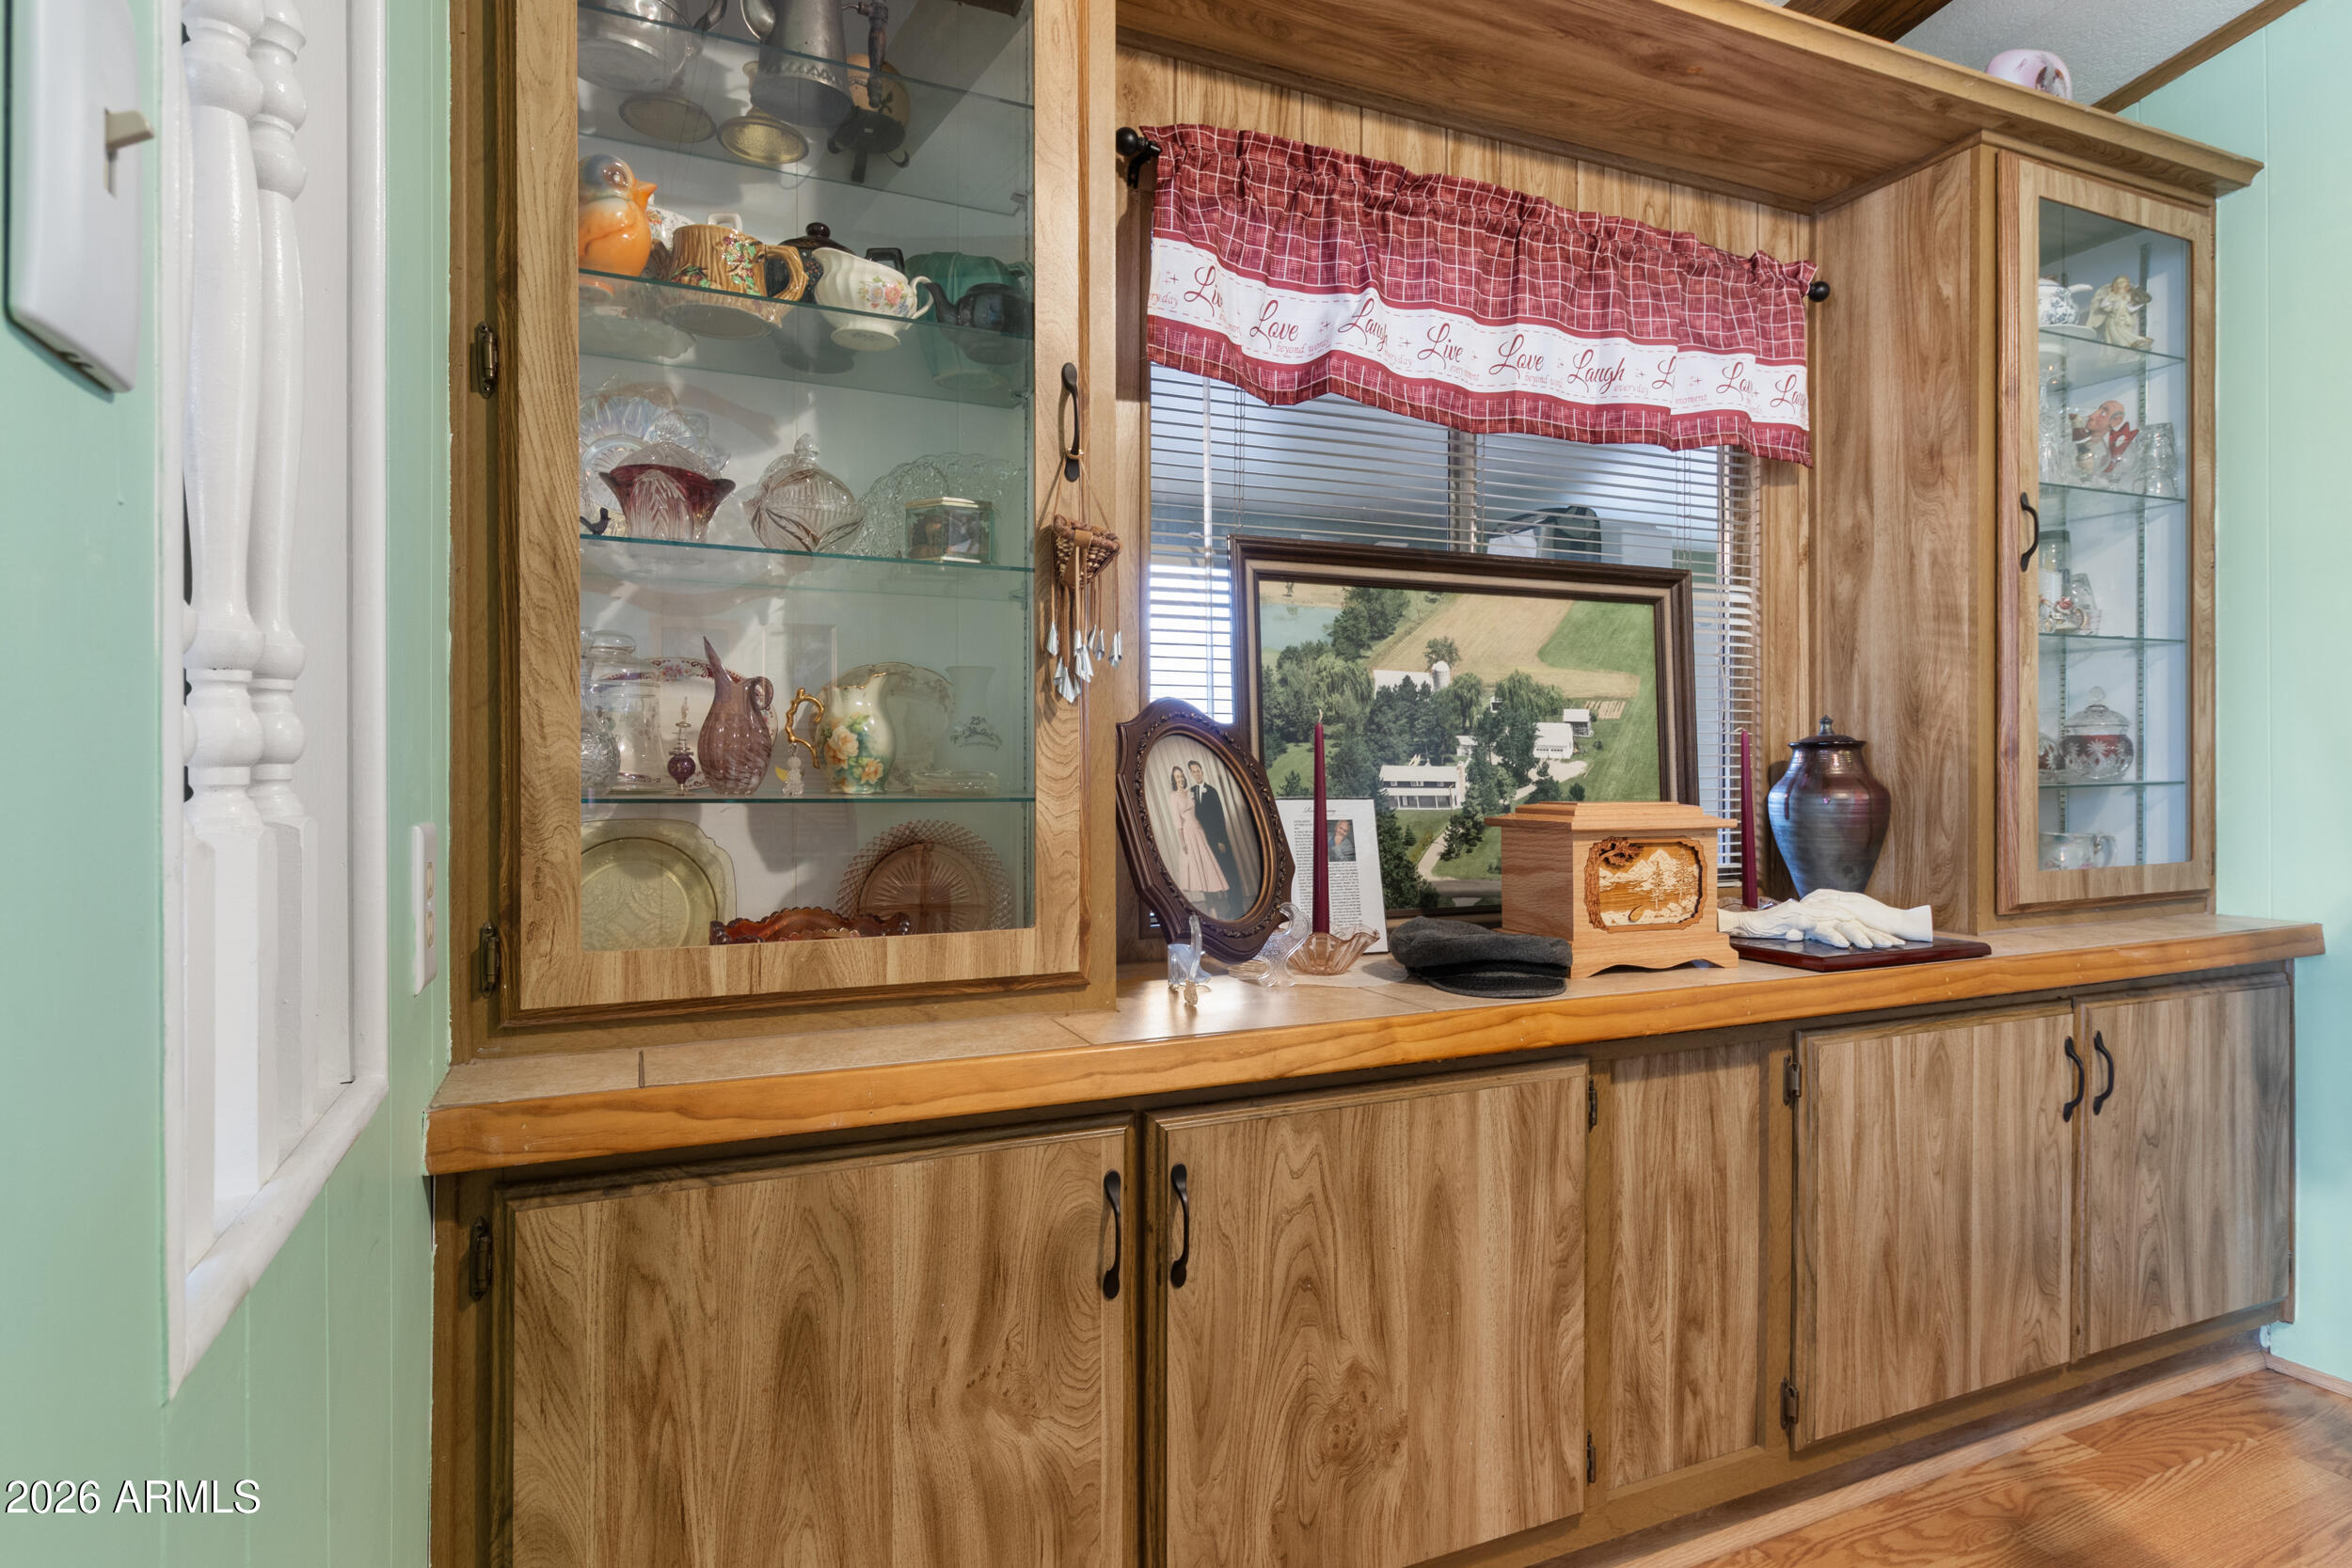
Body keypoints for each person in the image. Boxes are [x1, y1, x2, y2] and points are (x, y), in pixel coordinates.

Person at [1187, 759, 1247, 918]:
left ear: (1202, 771)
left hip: (1218, 839)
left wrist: (1221, 840)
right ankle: (1224, 908)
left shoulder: (1212, 791)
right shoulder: (1191, 792)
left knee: (1229, 872)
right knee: (1217, 875)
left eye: (1198, 770)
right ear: (1191, 774)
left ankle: (1237, 908)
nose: (1196, 774)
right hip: (1203, 841)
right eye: (1193, 772)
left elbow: (1219, 816)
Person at [1168, 765, 1228, 909]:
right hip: (1188, 834)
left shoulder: (1191, 792)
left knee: (1208, 867)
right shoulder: (1173, 796)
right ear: (1174, 780)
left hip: (1201, 831)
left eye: (1181, 776)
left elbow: (1202, 811)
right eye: (1177, 777)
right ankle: (1211, 907)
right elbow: (1177, 820)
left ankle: (1215, 907)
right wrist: (1182, 841)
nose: (1180, 779)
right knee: (1198, 870)